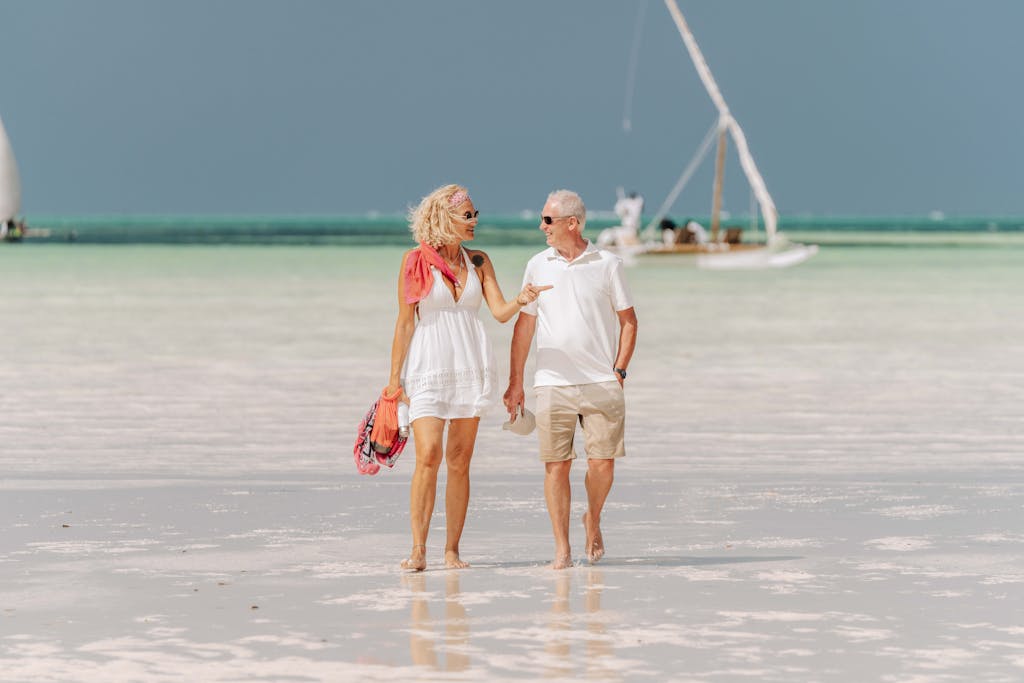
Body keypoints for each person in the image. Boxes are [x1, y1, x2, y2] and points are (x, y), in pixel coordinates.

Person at [386, 183, 551, 571]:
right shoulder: (415, 262)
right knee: (428, 455)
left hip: (470, 369)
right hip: (428, 367)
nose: (475, 221)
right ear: (446, 218)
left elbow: (499, 311)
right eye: (468, 215)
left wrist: (522, 300)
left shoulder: (478, 261)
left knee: (460, 461)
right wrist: (394, 381)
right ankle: (418, 549)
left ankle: (452, 550)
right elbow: (405, 324)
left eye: (476, 214)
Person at [503, 189, 638, 569]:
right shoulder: (537, 264)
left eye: (548, 220)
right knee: (556, 465)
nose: (542, 226)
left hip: (601, 381)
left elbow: (629, 321)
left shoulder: (608, 263)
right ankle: (562, 549)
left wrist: (620, 370)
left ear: (572, 223)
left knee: (602, 465)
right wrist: (516, 383)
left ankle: (592, 518)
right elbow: (524, 326)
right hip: (551, 382)